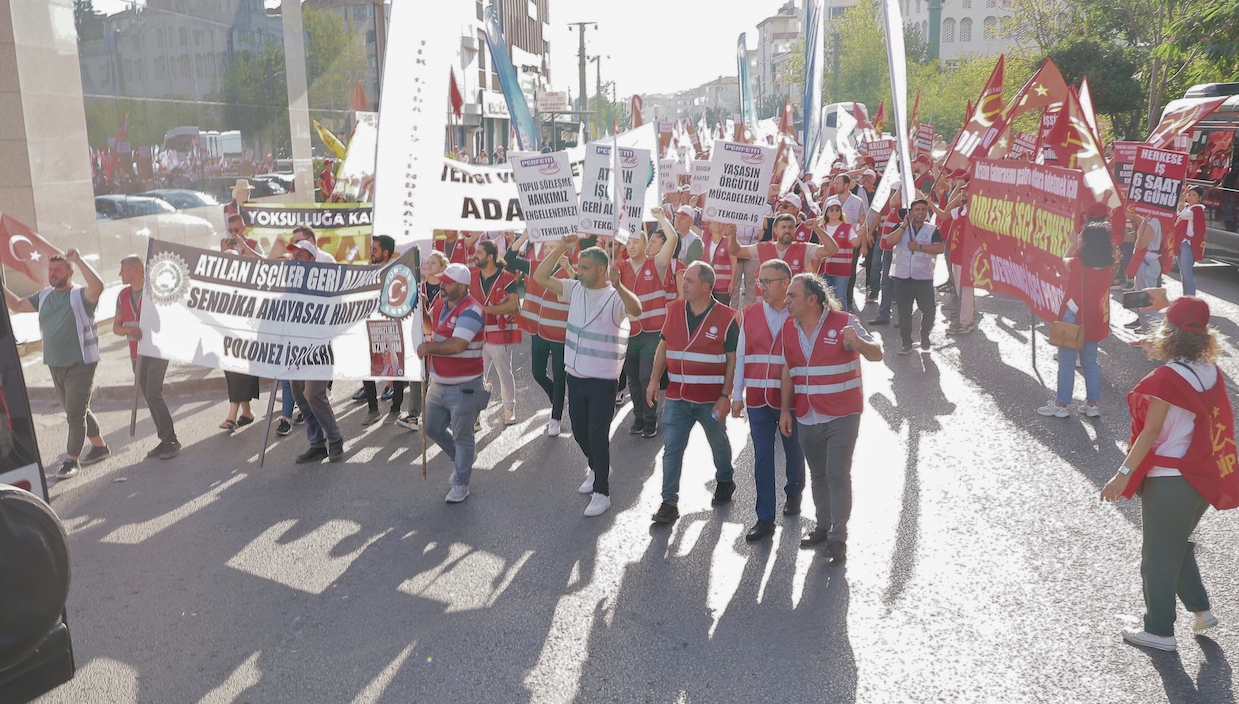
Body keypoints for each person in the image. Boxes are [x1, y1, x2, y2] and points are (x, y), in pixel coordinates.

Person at [1101, 296, 1239, 651]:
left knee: (1158, 556)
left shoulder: (1167, 377)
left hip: (1170, 478)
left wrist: (1122, 474)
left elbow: (1149, 433)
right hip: (1201, 477)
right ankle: (1200, 610)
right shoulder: (1211, 370)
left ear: (1170, 332)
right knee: (1176, 544)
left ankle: (1160, 631)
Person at [779, 273, 883, 562]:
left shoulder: (845, 322)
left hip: (842, 414)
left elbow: (877, 354)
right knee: (819, 474)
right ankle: (822, 526)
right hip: (806, 415)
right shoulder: (789, 328)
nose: (786, 301)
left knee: (837, 474)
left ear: (812, 300)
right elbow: (789, 370)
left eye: (792, 296)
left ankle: (838, 535)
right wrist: (786, 410)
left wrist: (858, 343)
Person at [536, 237, 641, 517]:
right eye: (578, 267)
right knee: (580, 432)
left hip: (603, 381)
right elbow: (540, 276)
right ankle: (597, 467)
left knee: (596, 434)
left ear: (600, 270)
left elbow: (636, 310)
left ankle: (602, 492)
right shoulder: (575, 289)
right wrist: (560, 249)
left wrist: (619, 286)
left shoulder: (614, 296)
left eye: (583, 267)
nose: (578, 271)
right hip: (575, 376)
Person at [648, 261, 740, 525]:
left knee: (718, 441)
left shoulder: (727, 317)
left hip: (710, 401)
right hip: (677, 397)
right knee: (672, 449)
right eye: (683, 280)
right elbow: (663, 348)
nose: (683, 284)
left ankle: (725, 479)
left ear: (705, 286)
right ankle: (668, 502)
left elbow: (733, 360)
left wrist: (726, 396)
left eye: (688, 281)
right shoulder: (674, 309)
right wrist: (655, 380)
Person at [2, 251, 109, 478]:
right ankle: (100, 447)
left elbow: (98, 286)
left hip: (80, 364)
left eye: (58, 270)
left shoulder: (80, 296)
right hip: (54, 364)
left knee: (74, 414)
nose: (53, 274)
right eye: (50, 270)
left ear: (70, 272)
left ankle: (72, 461)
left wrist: (79, 259)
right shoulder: (45, 295)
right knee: (77, 410)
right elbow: (18, 305)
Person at [731, 260, 805, 542]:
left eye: (767, 282)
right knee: (762, 458)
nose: (759, 286)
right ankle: (765, 518)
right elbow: (741, 356)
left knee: (794, 450)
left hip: (790, 400)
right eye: (759, 281)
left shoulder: (798, 313)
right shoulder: (748, 313)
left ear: (785, 283)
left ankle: (795, 491)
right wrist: (737, 395)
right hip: (759, 400)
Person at [417, 262, 491, 503]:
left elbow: (457, 344)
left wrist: (427, 348)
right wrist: (421, 309)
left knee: (463, 437)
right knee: (431, 428)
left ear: (461, 287)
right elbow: (431, 327)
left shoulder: (472, 310)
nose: (442, 285)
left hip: (464, 387)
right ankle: (462, 457)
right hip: (438, 383)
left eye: (447, 283)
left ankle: (461, 483)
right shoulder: (441, 302)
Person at [1038, 226, 1114, 418]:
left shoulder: (1077, 263)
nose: (1079, 239)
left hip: (1074, 317)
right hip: (1096, 318)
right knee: (1090, 362)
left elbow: (1061, 260)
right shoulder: (1108, 265)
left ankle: (1061, 405)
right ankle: (1092, 405)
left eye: (1081, 237)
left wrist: (1071, 243)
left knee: (1066, 362)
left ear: (1087, 243)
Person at [620, 210, 680, 438]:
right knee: (633, 379)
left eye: (637, 241)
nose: (631, 246)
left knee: (647, 376)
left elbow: (672, 239)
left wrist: (661, 218)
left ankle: (650, 419)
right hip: (629, 334)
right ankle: (638, 416)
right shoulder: (620, 268)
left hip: (653, 334)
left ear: (646, 245)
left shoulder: (656, 264)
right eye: (628, 242)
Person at [113, 255, 179, 459]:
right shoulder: (123, 295)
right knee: (149, 397)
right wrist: (129, 331)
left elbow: (167, 321)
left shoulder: (154, 292)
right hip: (136, 352)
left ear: (134, 271)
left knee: (153, 393)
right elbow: (116, 327)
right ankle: (164, 438)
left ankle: (172, 440)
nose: (119, 274)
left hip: (157, 350)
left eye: (122, 270)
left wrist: (147, 327)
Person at [508, 234, 573, 436]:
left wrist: (569, 268)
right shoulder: (535, 265)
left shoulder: (570, 271)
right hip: (538, 331)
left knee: (560, 376)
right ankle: (558, 399)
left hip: (559, 333)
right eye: (546, 248)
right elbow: (509, 258)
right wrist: (526, 235)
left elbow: (581, 287)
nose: (548, 251)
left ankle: (555, 417)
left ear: (563, 250)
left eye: (554, 247)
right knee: (537, 373)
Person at [396, 250, 449, 431]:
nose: (428, 265)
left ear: (443, 267)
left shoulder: (449, 288)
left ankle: (444, 416)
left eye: (433, 263)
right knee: (417, 376)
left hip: (443, 342)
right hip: (421, 340)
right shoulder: (417, 288)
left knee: (440, 379)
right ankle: (413, 415)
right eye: (428, 263)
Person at [884, 199, 945, 355]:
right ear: (910, 212)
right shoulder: (902, 227)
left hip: (924, 279)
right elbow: (889, 241)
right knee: (904, 314)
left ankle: (925, 335)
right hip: (902, 278)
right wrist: (904, 226)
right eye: (917, 209)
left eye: (924, 210)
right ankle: (906, 343)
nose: (920, 212)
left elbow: (940, 248)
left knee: (929, 310)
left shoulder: (932, 229)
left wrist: (919, 246)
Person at [470, 240, 521, 425]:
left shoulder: (507, 278)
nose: (475, 255)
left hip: (500, 335)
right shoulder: (472, 276)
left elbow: (513, 304)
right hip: (478, 336)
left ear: (490, 257)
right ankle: (475, 415)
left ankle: (509, 409)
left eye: (479, 253)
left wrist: (485, 309)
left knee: (504, 374)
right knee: (476, 378)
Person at [360, 236, 406, 425]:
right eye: (371, 249)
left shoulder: (398, 271)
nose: (371, 252)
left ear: (386, 252)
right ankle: (373, 409)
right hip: (369, 325)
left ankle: (396, 408)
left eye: (375, 250)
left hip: (391, 325)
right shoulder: (366, 270)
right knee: (366, 367)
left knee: (396, 365)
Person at [730, 213, 836, 278]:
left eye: (790, 227)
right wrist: (733, 234)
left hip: (793, 306)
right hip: (766, 304)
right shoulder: (763, 247)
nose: (787, 230)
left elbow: (832, 249)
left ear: (794, 230)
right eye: (783, 227)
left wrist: (817, 229)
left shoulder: (804, 248)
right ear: (775, 230)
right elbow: (736, 251)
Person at [816, 197, 860, 312]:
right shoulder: (821, 228)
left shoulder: (848, 227)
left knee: (840, 298)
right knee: (825, 299)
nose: (834, 212)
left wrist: (861, 235)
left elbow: (855, 243)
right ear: (826, 212)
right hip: (823, 269)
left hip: (842, 269)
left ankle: (843, 324)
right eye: (831, 209)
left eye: (837, 209)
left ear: (841, 212)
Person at [869, 188, 903, 326]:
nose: (892, 194)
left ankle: (902, 316)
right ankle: (884, 314)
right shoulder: (891, 206)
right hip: (887, 250)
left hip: (898, 251)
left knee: (900, 285)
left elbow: (895, 201)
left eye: (895, 190)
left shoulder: (902, 206)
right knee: (886, 283)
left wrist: (902, 186)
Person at [1174, 186, 1206, 296]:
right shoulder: (1188, 207)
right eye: (1189, 194)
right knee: (1183, 273)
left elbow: (1184, 214)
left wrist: (1181, 201)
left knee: (1187, 274)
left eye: (1194, 195)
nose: (1190, 197)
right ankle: (1186, 297)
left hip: (1188, 244)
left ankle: (1191, 298)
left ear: (1199, 198)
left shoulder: (1198, 209)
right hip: (1181, 243)